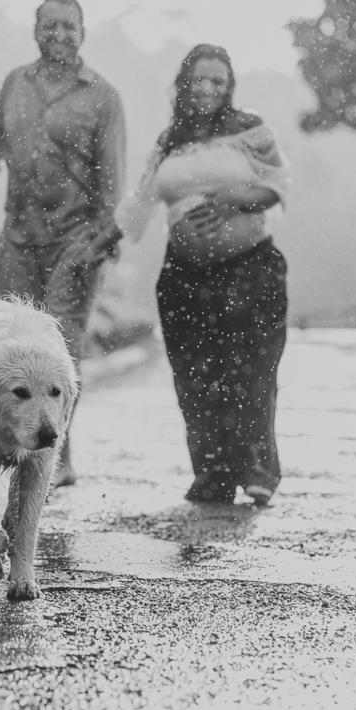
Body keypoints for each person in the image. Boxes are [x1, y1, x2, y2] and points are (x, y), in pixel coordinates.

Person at [0, 0, 126, 487]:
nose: (60, 34)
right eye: (50, 25)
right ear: (35, 30)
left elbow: (112, 177)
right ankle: (7, 441)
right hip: (19, 238)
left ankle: (55, 453)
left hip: (78, 241)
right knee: (15, 351)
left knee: (60, 352)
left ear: (83, 33)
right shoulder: (15, 84)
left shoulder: (104, 97)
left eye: (69, 26)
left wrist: (107, 235)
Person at [114, 43, 292, 505]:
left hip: (250, 269)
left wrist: (236, 199)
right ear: (183, 83)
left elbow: (277, 185)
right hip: (185, 278)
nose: (209, 88)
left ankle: (257, 469)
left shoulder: (249, 129)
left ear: (229, 86)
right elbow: (139, 203)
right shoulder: (168, 140)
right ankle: (212, 472)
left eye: (219, 80)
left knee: (250, 371)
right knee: (195, 375)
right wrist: (100, 242)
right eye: (200, 78)